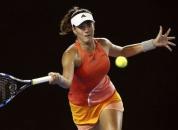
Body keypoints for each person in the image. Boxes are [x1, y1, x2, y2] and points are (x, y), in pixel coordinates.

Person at [48, 6, 176, 130]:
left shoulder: (103, 43)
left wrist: (152, 43)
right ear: (74, 30)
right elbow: (67, 82)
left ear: (94, 25)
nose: (87, 29)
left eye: (89, 24)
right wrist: (59, 79)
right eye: (82, 27)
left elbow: (123, 51)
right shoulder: (71, 54)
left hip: (108, 97)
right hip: (82, 108)